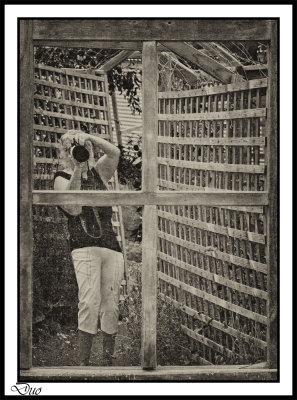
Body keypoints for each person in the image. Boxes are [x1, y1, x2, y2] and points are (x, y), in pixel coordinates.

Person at [54, 129, 123, 366]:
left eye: (84, 149)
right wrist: (76, 169)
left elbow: (115, 152)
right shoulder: (61, 178)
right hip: (83, 247)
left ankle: (107, 361)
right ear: (65, 153)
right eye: (71, 148)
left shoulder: (99, 172)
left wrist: (90, 139)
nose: (81, 152)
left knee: (111, 304)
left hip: (111, 247)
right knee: (89, 301)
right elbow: (73, 209)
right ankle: (83, 363)